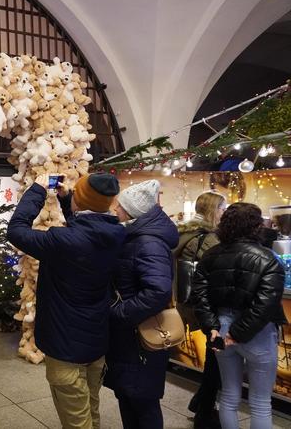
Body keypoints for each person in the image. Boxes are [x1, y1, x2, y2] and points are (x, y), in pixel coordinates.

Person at [7, 173, 125, 429]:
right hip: (95, 339)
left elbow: (16, 231)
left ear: (82, 203)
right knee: (90, 409)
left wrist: (38, 190)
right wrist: (70, 199)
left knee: (77, 421)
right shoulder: (116, 234)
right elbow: (86, 231)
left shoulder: (62, 240)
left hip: (65, 344)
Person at [192, 203, 287, 429]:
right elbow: (266, 304)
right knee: (260, 402)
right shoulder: (269, 258)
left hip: (221, 330)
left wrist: (213, 328)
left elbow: (200, 295)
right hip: (258, 333)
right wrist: (238, 333)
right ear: (256, 226)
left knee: (229, 395)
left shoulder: (210, 255)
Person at [104, 179, 179, 429]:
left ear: (133, 211)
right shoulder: (135, 237)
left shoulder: (148, 243)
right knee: (128, 395)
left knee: (142, 400)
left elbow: (158, 290)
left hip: (140, 336)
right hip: (130, 336)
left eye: (120, 206)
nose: (116, 209)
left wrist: (119, 313)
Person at [175, 191, 226, 428]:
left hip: (190, 302)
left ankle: (201, 403)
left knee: (214, 356)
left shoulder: (186, 233)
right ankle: (204, 410)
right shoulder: (209, 239)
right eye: (222, 209)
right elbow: (218, 271)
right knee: (216, 357)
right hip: (207, 305)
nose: (224, 213)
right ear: (213, 210)